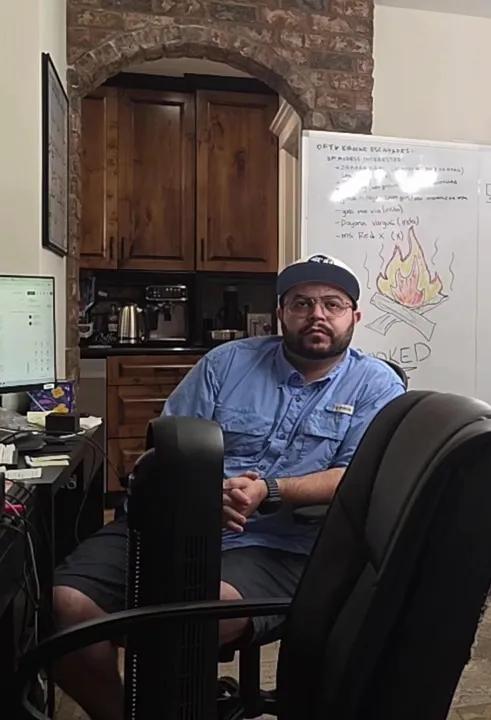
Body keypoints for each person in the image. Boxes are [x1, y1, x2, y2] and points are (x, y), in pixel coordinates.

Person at [50, 254, 406, 720]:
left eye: (332, 304)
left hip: (281, 544)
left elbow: (357, 476)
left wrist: (270, 491)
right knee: (63, 608)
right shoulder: (227, 362)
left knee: (187, 619)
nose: (316, 315)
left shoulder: (376, 385)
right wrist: (201, 492)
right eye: (301, 303)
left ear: (354, 317)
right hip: (178, 518)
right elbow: (170, 443)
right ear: (280, 313)